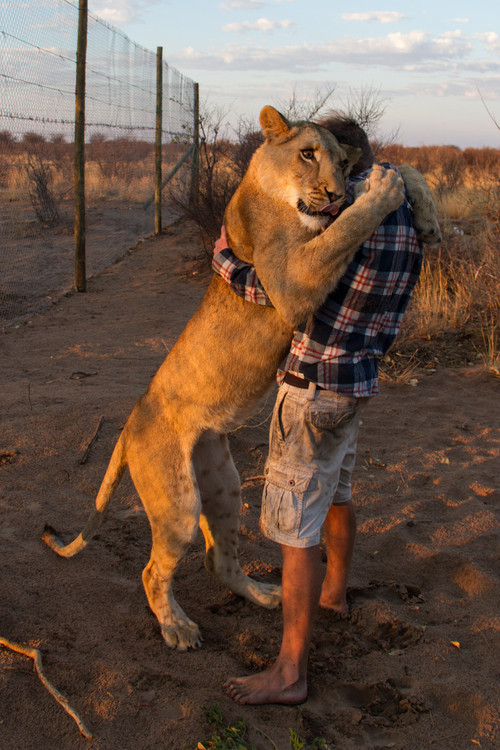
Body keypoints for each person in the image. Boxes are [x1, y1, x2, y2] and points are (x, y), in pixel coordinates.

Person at [212, 115, 423, 706]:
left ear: (340, 157)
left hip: (311, 387)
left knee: (294, 530)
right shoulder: (405, 219)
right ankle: (336, 593)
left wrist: (226, 258)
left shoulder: (338, 219)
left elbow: (281, 293)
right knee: (337, 493)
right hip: (357, 383)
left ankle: (290, 670)